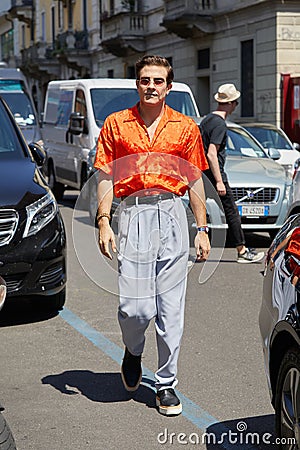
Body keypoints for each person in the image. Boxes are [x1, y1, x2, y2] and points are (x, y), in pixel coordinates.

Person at [94, 55, 210, 416]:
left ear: (168, 86)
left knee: (171, 310)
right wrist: (103, 220)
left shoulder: (186, 127)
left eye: (158, 81)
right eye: (145, 80)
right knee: (135, 308)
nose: (151, 86)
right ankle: (133, 350)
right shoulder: (116, 124)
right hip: (133, 214)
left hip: (172, 213)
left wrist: (202, 229)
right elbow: (104, 175)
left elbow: (194, 181)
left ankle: (166, 384)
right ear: (137, 84)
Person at [200, 83, 264, 263]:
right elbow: (212, 152)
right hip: (214, 173)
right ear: (231, 103)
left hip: (201, 173)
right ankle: (242, 250)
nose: (236, 106)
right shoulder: (220, 124)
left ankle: (192, 247)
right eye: (235, 102)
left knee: (197, 210)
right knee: (231, 211)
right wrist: (219, 181)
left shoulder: (207, 119)